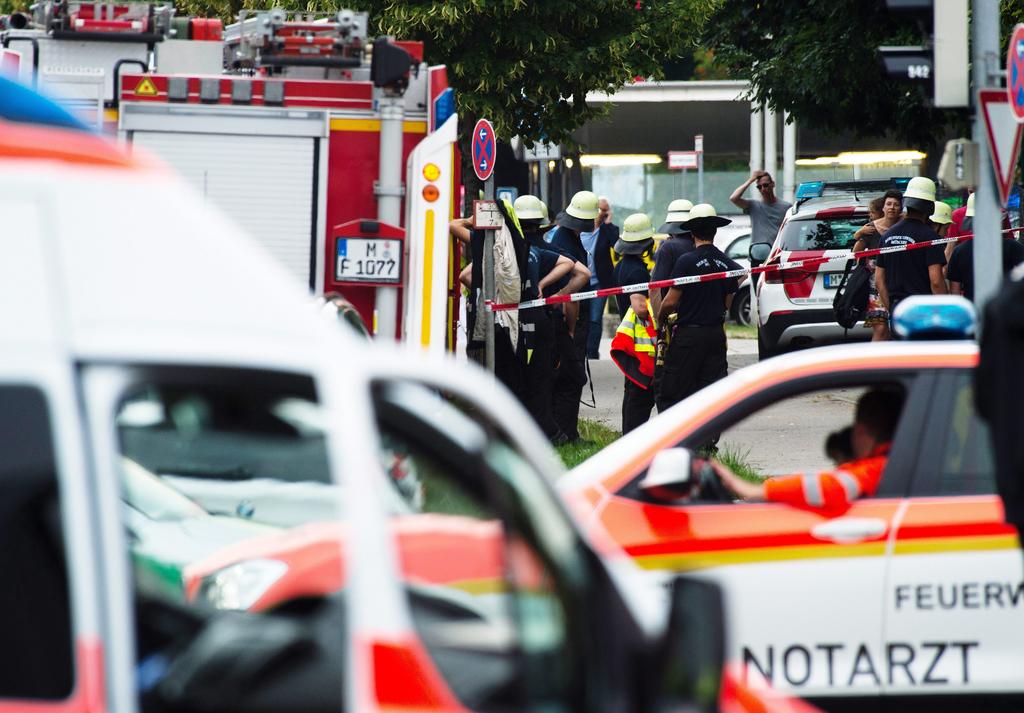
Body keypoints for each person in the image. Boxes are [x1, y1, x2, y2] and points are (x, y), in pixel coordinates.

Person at [711, 388, 904, 511]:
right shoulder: (898, 460)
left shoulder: (881, 467)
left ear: (860, 431)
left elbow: (835, 486)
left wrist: (755, 490)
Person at [655, 204, 739, 412]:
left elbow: (671, 301)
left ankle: (678, 430)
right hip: (715, 335)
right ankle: (710, 432)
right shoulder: (725, 262)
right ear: (715, 231)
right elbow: (729, 297)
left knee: (673, 390)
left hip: (689, 336)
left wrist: (661, 317)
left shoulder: (686, 261)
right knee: (713, 392)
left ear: (692, 233)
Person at [512, 195, 580, 442]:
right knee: (543, 377)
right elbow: (582, 273)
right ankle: (551, 431)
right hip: (544, 319)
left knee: (518, 376)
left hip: (509, 321)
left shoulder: (504, 250)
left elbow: (466, 275)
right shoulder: (544, 250)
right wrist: (553, 293)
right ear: (541, 223)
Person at [548, 190, 601, 442]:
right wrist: (572, 327)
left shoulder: (567, 236)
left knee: (569, 374)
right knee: (572, 375)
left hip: (572, 317)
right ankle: (567, 433)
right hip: (571, 318)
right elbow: (572, 292)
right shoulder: (565, 241)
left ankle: (566, 431)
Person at [875, 177, 947, 325]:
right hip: (924, 311)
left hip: (898, 309)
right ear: (930, 207)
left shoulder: (887, 236)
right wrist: (944, 310)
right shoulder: (930, 237)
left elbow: (879, 280)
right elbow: (936, 281)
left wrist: (892, 309)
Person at [609, 213, 657, 433]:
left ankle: (628, 436)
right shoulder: (637, 271)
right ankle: (634, 439)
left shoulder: (622, 266)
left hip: (631, 340)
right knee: (640, 395)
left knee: (631, 391)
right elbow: (639, 307)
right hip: (640, 342)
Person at [852, 190, 902, 341]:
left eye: (896, 205)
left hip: (899, 285)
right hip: (875, 288)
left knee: (895, 332)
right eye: (889, 204)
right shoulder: (871, 228)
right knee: (881, 329)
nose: (892, 208)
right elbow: (856, 253)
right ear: (883, 208)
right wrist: (859, 234)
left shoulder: (905, 225)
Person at [947, 207, 1024, 302]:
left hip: (973, 306)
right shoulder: (1012, 247)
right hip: (1003, 307)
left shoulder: (959, 251)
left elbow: (955, 290)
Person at [579, 196, 618, 359]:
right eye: (600, 209)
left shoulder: (607, 230)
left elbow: (616, 245)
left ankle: (592, 353)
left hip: (599, 282)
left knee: (595, 319)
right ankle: (580, 351)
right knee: (581, 317)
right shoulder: (579, 229)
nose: (601, 212)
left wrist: (608, 222)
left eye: (605, 210)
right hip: (580, 281)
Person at [730, 170, 792, 269]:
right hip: (757, 258)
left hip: (777, 257)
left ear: (773, 184)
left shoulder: (786, 207)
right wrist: (751, 180)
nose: (763, 189)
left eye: (766, 185)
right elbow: (734, 198)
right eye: (759, 187)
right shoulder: (753, 205)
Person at [651, 199, 695, 317]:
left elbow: (654, 288)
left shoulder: (668, 247)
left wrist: (659, 319)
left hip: (676, 316)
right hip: (702, 314)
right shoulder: (702, 245)